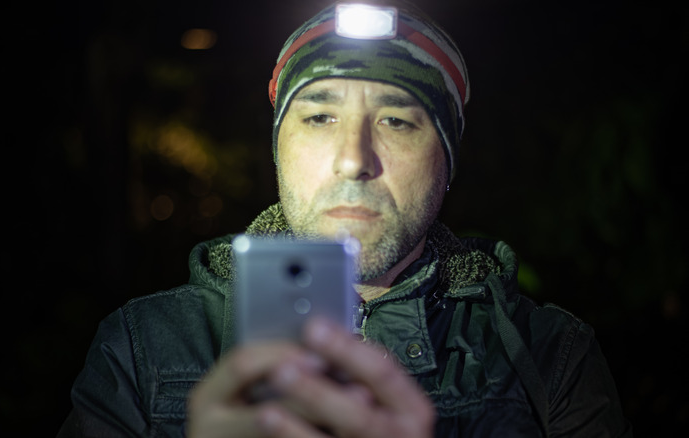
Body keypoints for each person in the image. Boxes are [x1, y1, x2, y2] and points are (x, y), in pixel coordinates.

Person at [58, 1, 632, 436]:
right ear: (277, 148)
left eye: (396, 121)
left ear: (447, 160)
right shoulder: (139, 350)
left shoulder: (550, 357)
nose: (354, 158)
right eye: (320, 117)